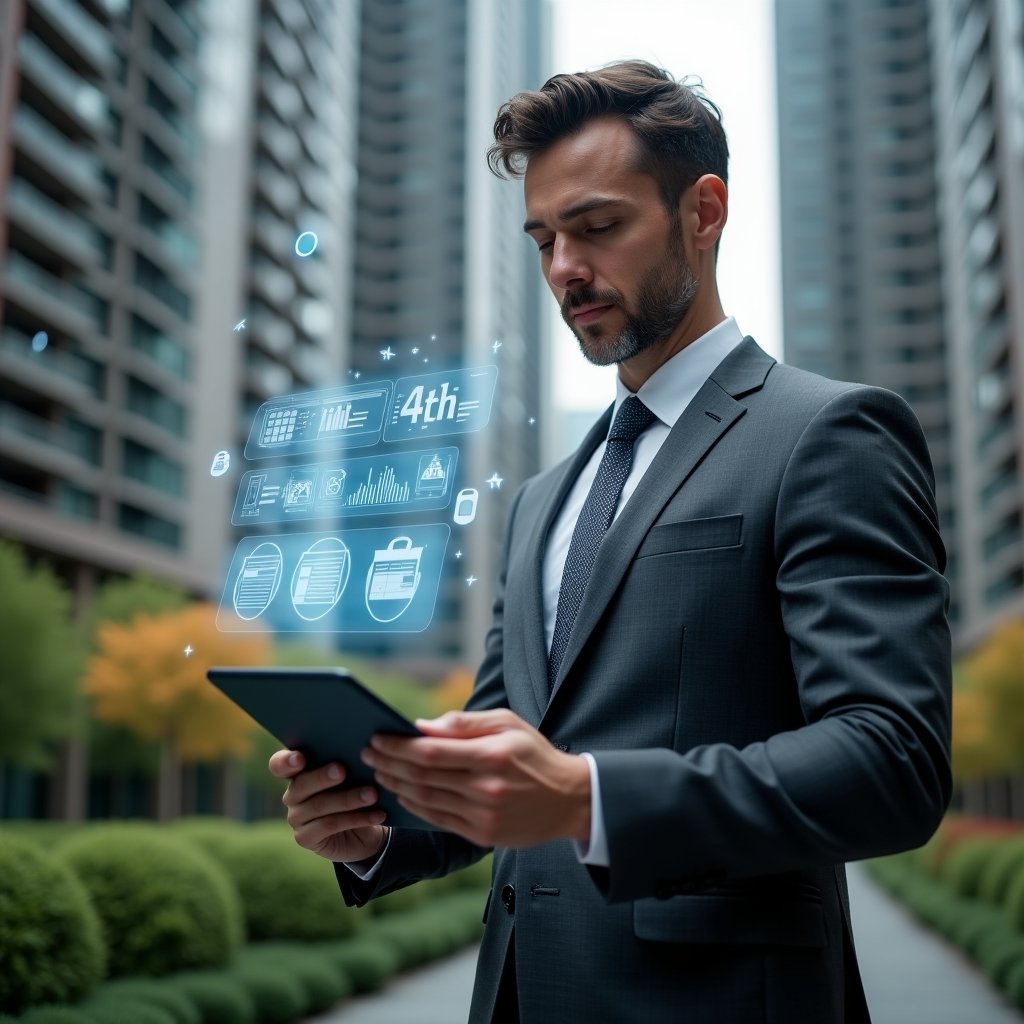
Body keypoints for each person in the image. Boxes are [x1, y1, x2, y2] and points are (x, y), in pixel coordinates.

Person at [269, 60, 951, 1023]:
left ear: (703, 212)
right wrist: (379, 830)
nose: (563, 269)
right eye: (544, 239)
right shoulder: (543, 500)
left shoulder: (829, 434)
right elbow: (512, 752)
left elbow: (893, 760)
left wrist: (590, 799)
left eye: (596, 227)